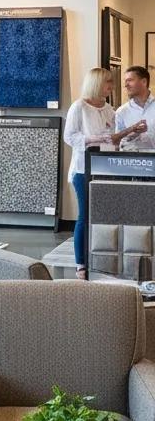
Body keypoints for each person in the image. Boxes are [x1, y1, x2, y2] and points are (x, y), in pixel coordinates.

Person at [64, 68, 144, 279]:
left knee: (105, 217)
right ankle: (81, 264)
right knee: (84, 216)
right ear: (97, 83)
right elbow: (69, 137)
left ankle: (102, 261)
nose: (112, 86)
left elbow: (116, 140)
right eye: (108, 82)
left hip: (107, 170)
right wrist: (96, 139)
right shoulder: (78, 107)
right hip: (83, 170)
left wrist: (132, 133)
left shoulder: (110, 110)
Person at [115, 65, 155, 151]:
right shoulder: (121, 112)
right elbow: (118, 144)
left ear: (144, 82)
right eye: (125, 81)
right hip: (130, 158)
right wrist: (132, 134)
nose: (126, 85)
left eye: (130, 80)